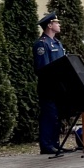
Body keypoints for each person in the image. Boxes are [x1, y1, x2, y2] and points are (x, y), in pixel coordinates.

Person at [33, 14, 67, 156]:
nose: (59, 24)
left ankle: (55, 144)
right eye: (56, 22)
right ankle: (46, 146)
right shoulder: (42, 44)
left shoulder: (57, 43)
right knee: (49, 116)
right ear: (49, 25)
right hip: (48, 87)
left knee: (57, 116)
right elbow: (43, 69)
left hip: (59, 86)